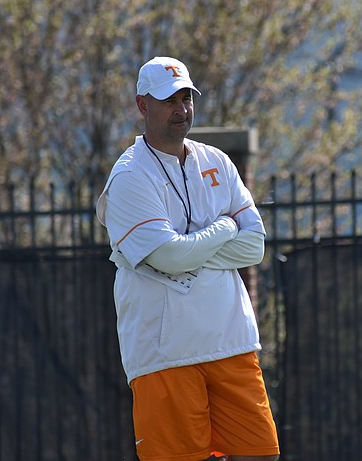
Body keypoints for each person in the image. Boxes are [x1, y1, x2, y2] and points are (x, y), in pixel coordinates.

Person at [96, 56, 280, 461]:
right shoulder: (129, 177)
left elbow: (255, 247)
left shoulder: (217, 161)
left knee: (261, 454)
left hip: (231, 341)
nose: (181, 110)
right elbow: (172, 257)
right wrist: (225, 228)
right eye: (168, 100)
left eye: (186, 98)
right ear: (143, 105)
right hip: (165, 354)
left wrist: (187, 247)